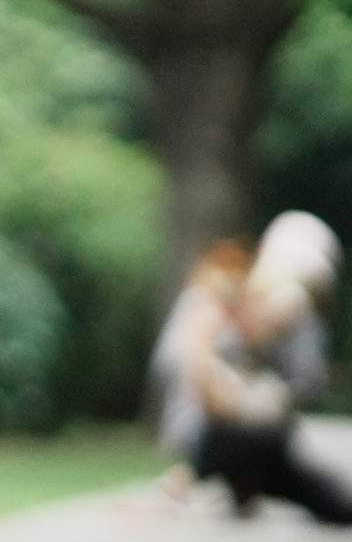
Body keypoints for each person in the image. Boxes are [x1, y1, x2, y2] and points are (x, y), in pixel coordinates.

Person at [148, 220, 350, 526]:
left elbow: (302, 384)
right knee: (266, 436)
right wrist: (241, 392)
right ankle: (204, 475)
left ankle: (236, 482)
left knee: (328, 498)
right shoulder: (218, 296)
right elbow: (193, 371)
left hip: (248, 439)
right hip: (204, 429)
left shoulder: (282, 322)